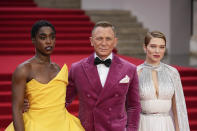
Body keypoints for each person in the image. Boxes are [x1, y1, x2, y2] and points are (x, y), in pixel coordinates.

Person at [5, 20, 84, 131]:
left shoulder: (57, 69)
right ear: (33, 40)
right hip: (34, 125)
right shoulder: (24, 69)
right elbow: (16, 109)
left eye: (52, 37)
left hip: (64, 125)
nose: (49, 42)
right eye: (43, 37)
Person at [66, 21, 141, 131]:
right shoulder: (77, 68)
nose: (104, 43)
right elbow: (64, 100)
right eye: (99, 38)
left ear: (115, 42)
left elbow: (133, 106)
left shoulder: (129, 69)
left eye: (108, 39)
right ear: (91, 41)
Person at [137, 31, 190, 131]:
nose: (157, 51)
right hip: (143, 125)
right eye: (153, 46)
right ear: (145, 47)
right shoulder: (136, 73)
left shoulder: (172, 73)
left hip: (166, 126)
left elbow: (178, 108)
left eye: (162, 47)